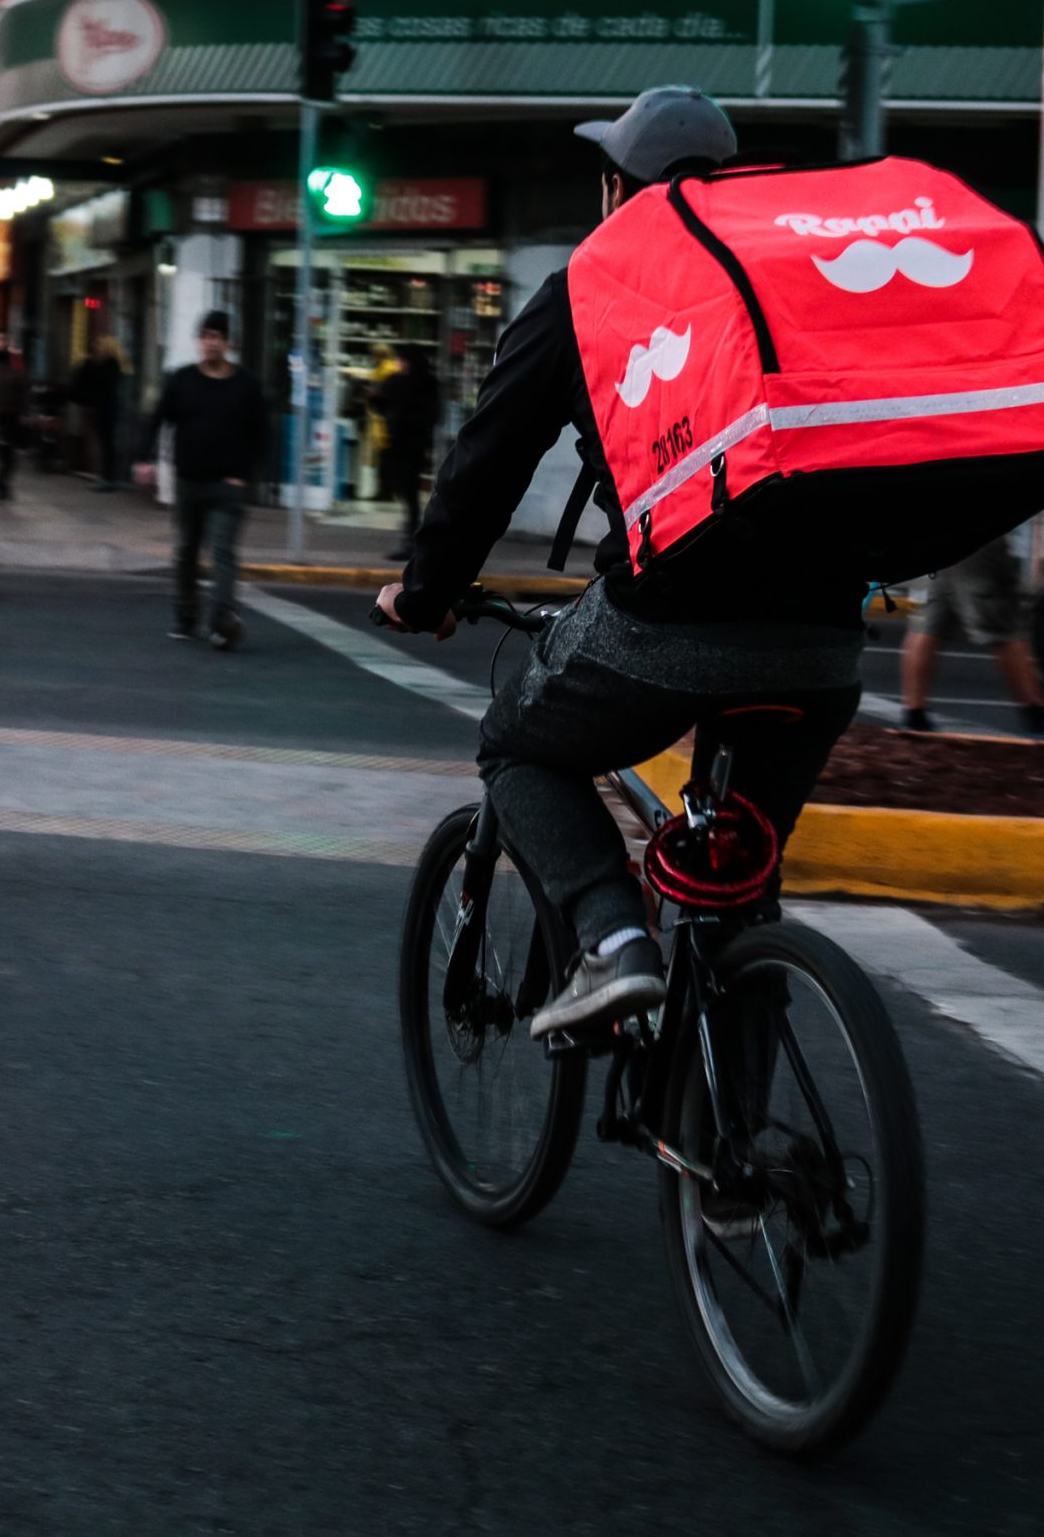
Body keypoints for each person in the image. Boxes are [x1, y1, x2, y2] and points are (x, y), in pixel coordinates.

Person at [373, 86, 870, 1040]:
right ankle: (735, 1178)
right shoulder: (797, 285)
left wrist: (425, 591)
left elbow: (487, 460)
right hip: (825, 641)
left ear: (614, 192)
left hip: (672, 618)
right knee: (735, 891)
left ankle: (609, 939)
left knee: (515, 746)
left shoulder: (586, 292)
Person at [135, 310, 267, 651]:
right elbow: (157, 420)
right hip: (189, 481)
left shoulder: (247, 385)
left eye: (217, 337)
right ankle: (185, 616)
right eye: (206, 336)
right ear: (199, 341)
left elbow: (262, 434)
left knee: (222, 552)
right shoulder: (182, 380)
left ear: (229, 343)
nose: (211, 343)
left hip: (228, 485)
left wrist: (246, 477)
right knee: (186, 551)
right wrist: (144, 459)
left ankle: (223, 621)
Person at [898, 529, 1044, 735]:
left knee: (930, 617)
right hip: (975, 530)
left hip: (935, 532)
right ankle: (1038, 714)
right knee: (1001, 620)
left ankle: (914, 714)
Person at [377, 344, 442, 561]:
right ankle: (411, 537)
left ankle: (412, 539)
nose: (399, 364)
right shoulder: (413, 382)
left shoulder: (412, 384)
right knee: (407, 492)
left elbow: (382, 404)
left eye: (402, 360)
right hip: (408, 445)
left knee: (409, 493)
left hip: (408, 445)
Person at [70, 334, 126, 489]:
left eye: (100, 346)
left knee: (107, 444)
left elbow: (102, 383)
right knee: (103, 443)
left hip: (107, 409)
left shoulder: (111, 364)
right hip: (100, 408)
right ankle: (105, 477)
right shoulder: (101, 364)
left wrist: (89, 363)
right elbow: (83, 381)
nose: (97, 348)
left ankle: (108, 478)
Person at [0, 345, 25, 504]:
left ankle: (4, 481)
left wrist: (23, 411)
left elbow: (23, 385)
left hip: (11, 414)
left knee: (9, 452)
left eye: (2, 338)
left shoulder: (15, 360)